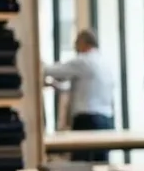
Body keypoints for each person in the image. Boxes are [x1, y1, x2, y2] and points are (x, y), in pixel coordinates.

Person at [43, 28, 116, 162]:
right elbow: (81, 88)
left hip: (87, 120)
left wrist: (37, 63)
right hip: (106, 121)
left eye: (76, 44)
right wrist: (54, 85)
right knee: (101, 164)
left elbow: (53, 70)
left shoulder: (83, 61)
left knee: (82, 163)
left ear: (83, 43)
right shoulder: (105, 62)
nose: (75, 48)